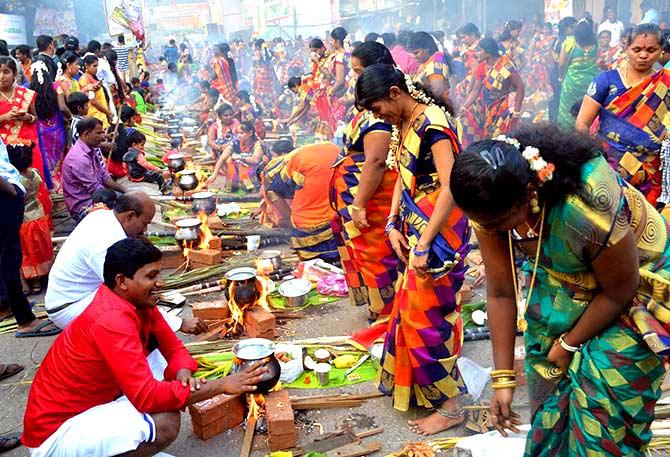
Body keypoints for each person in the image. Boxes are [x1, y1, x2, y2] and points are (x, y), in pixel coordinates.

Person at [450, 123, 669, 456]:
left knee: (602, 421)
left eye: (499, 223)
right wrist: (504, 382)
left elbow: (620, 290)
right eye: (484, 224)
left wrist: (567, 344)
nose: (491, 233)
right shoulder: (491, 205)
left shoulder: (586, 202)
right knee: (552, 412)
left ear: (529, 191)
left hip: (635, 289)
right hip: (563, 282)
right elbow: (500, 292)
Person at [25, 237, 266, 456]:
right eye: (151, 276)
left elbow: (174, 349)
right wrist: (222, 385)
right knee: (165, 420)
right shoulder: (112, 319)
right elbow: (147, 398)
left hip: (89, 409)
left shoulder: (139, 303)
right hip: (54, 435)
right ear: (122, 281)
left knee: (161, 370)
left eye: (159, 274)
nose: (161, 283)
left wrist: (183, 376)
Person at [355, 64, 471, 434]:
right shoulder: (401, 125)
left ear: (394, 93)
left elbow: (452, 187)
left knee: (426, 320)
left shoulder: (434, 123)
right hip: (415, 228)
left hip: (439, 236)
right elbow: (404, 182)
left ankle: (452, 407)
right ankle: (428, 392)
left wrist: (423, 243)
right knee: (410, 313)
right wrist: (391, 223)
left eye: (377, 109)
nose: (377, 117)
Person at [330, 42, 399, 321]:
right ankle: (379, 308)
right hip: (359, 189)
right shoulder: (371, 106)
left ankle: (386, 313)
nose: (353, 77)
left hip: (373, 195)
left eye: (358, 72)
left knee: (376, 251)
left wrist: (358, 203)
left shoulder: (380, 113)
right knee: (365, 250)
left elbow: (376, 161)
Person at [576, 23, 666, 206]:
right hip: (608, 168)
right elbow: (582, 124)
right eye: (637, 49)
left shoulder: (665, 85)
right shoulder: (606, 80)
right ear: (626, 48)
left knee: (647, 227)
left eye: (651, 50)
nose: (643, 55)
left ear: (661, 51)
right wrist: (591, 158)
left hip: (649, 173)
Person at [0, 139, 59, 338]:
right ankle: (24, 319)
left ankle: (12, 305)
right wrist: (10, 190)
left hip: (11, 195)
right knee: (10, 258)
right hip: (6, 195)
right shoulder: (31, 176)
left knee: (11, 257)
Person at [261, 142, 340, 262]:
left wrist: (290, 221)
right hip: (338, 216)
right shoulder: (331, 149)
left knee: (316, 266)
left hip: (310, 222)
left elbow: (272, 193)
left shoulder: (290, 165)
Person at [0, 56, 52, 220]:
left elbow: (35, 118)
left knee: (33, 182)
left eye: (6, 72)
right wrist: (6, 116)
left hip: (28, 147)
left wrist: (27, 117)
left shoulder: (26, 94)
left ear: (14, 74)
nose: (1, 76)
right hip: (5, 151)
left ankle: (38, 223)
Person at [7, 144, 53, 295]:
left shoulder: (15, 180)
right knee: (41, 247)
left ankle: (33, 281)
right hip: (39, 216)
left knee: (28, 251)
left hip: (24, 219)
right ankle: (44, 275)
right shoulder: (35, 173)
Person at [61, 117, 126, 220]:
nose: (103, 137)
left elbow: (104, 176)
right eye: (99, 133)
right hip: (84, 207)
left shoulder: (93, 149)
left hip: (96, 197)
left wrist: (125, 191)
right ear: (87, 134)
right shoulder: (79, 158)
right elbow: (96, 188)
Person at [461, 38, 525, 138]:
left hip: (506, 106)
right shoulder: (482, 67)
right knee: (488, 134)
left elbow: (520, 87)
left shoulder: (506, 65)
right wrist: (464, 107)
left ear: (488, 53)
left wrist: (516, 112)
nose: (476, 53)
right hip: (490, 107)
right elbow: (475, 90)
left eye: (479, 50)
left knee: (499, 136)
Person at [29, 60, 67, 187]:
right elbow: (62, 107)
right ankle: (60, 188)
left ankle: (48, 186)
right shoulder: (56, 87)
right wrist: (71, 117)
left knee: (44, 159)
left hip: (39, 129)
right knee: (57, 161)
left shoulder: (27, 88)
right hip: (56, 128)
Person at [557, 18, 598, 128]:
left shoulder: (569, 42)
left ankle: (567, 134)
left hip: (572, 82)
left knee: (567, 109)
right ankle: (585, 133)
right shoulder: (595, 44)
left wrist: (560, 77)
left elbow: (561, 64)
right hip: (591, 83)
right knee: (588, 108)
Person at [207, 121, 267, 192]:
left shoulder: (258, 144)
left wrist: (240, 157)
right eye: (238, 133)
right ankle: (234, 185)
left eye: (241, 133)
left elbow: (255, 160)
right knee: (229, 161)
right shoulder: (235, 142)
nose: (239, 135)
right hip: (242, 171)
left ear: (250, 133)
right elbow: (222, 158)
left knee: (242, 164)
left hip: (258, 172)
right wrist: (214, 174)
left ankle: (251, 187)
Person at [409, 31, 452, 101]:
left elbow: (437, 91)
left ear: (427, 49)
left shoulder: (436, 61)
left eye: (416, 53)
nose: (414, 57)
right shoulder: (426, 62)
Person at [549, 17, 577, 122]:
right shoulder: (560, 41)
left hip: (565, 72)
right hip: (558, 72)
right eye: (573, 26)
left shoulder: (571, 40)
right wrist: (561, 76)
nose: (575, 28)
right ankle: (555, 122)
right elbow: (558, 61)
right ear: (566, 29)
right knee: (558, 97)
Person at [79, 55, 112, 129]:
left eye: (97, 66)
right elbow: (92, 100)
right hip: (94, 115)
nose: (96, 68)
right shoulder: (85, 79)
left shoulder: (94, 78)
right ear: (86, 66)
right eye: (94, 66)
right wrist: (108, 112)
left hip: (101, 114)